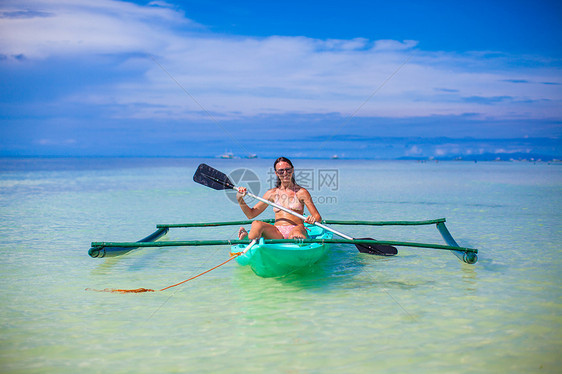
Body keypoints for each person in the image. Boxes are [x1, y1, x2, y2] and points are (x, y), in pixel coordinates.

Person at [237, 157, 322, 240]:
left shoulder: (302, 192)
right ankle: (247, 238)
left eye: (288, 170)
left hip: (297, 228)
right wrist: (240, 199)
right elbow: (251, 215)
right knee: (256, 224)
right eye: (281, 171)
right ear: (276, 173)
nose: (285, 173)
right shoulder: (271, 193)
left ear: (292, 170)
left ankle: (298, 242)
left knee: (295, 234)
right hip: (277, 232)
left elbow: (318, 217)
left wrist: (313, 219)